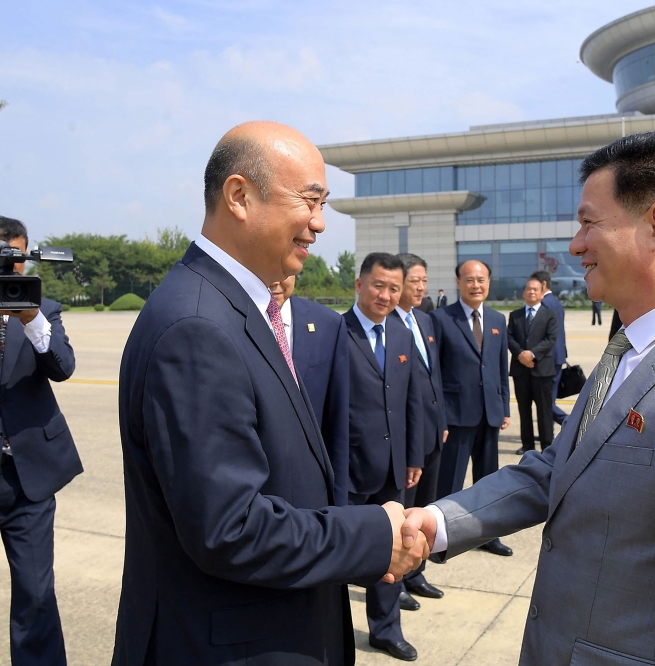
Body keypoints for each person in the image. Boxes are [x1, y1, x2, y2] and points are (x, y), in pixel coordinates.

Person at [405, 131, 655, 665]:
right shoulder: (626, 351)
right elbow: (558, 469)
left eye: (589, 222)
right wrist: (437, 521)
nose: (575, 244)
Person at [112, 122, 427, 666]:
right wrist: (373, 533)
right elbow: (230, 528)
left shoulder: (230, 307)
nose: (319, 224)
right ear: (239, 196)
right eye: (309, 201)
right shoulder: (198, 327)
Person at [0, 216, 80, 666]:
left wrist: (30, 316)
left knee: (36, 598)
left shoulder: (46, 309)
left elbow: (62, 366)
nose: (7, 268)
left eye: (15, 258)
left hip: (30, 479)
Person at [343, 252, 425, 662]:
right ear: (359, 285)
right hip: (350, 470)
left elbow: (411, 401)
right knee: (341, 555)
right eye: (379, 285)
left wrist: (413, 457)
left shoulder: (402, 335)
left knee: (393, 550)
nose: (386, 295)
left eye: (394, 288)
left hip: (393, 469)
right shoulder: (336, 333)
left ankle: (385, 630)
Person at [430, 259, 513, 557]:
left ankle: (488, 535)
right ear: (458, 282)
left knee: (489, 479)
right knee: (450, 480)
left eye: (481, 280)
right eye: (469, 280)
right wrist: (440, 417)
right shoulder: (440, 318)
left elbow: (501, 368)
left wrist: (504, 406)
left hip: (489, 413)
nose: (476, 285)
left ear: (488, 282)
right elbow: (435, 373)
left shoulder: (497, 320)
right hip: (456, 415)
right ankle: (442, 540)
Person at [393, 253, 448, 606]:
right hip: (406, 439)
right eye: (414, 281)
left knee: (425, 507)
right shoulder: (388, 325)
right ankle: (394, 579)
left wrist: (442, 422)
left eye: (423, 281)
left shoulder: (425, 321)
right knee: (403, 512)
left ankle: (416, 573)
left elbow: (434, 377)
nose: (420, 287)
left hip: (432, 433)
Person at [270, 276, 350, 506]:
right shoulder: (232, 319)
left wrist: (339, 505)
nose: (275, 281)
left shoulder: (328, 324)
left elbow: (337, 423)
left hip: (311, 490)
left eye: (283, 272)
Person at [508, 277, 559, 455]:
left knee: (544, 410)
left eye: (535, 289)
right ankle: (527, 444)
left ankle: (547, 445)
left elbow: (551, 339)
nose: (531, 292)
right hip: (520, 370)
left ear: (541, 294)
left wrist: (532, 354)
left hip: (542, 369)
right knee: (524, 409)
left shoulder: (550, 315)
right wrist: (521, 354)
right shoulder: (515, 315)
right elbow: (509, 338)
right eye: (528, 289)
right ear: (523, 293)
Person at [532, 271, 568, 425]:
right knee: (549, 397)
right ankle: (548, 428)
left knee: (544, 399)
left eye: (535, 287)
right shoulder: (556, 302)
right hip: (558, 355)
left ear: (543, 284)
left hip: (547, 357)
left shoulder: (544, 304)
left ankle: (568, 421)